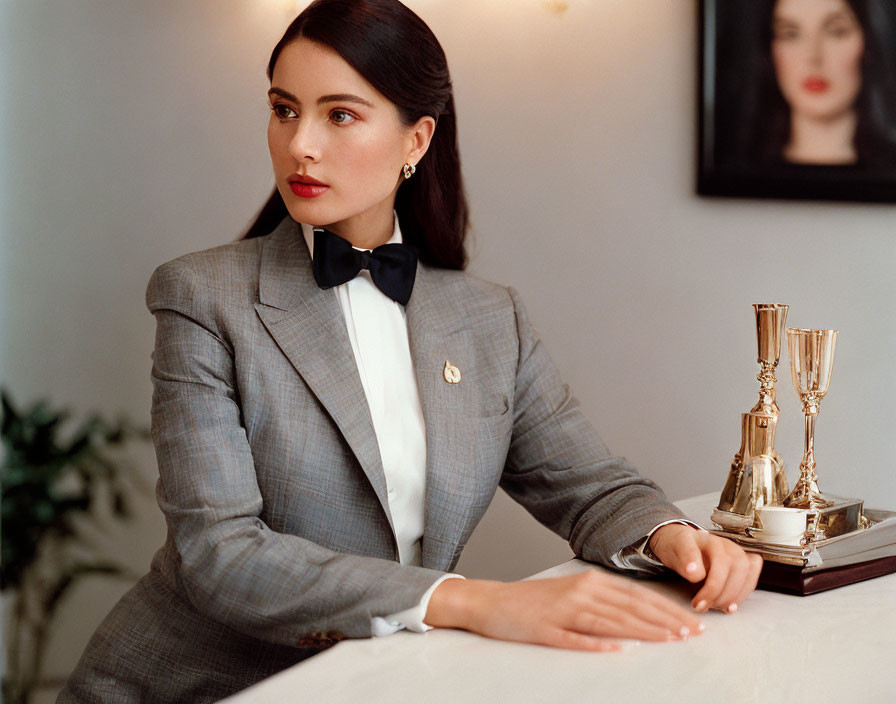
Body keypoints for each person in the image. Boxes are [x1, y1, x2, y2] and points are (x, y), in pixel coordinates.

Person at [59, 1, 762, 701]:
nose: (300, 143)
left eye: (339, 115)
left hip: (388, 684)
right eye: (283, 109)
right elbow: (221, 556)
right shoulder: (201, 296)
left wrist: (672, 537)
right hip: (201, 687)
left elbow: (592, 487)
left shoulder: (489, 317)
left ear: (416, 140)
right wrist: (476, 601)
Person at [746, 0, 896, 168]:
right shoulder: (738, 173)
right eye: (791, 33)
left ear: (868, 44)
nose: (813, 57)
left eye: (837, 32)